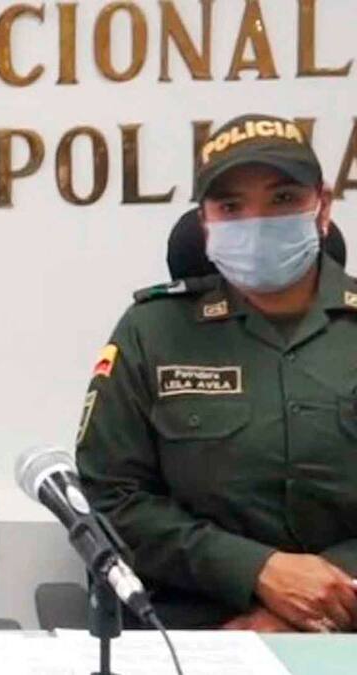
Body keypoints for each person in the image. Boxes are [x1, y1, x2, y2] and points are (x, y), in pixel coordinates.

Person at [77, 114, 357, 632]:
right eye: (231, 207)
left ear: (322, 207)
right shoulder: (152, 331)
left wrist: (320, 597)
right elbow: (111, 496)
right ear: (205, 223)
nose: (257, 222)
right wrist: (256, 571)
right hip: (188, 629)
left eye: (283, 199)